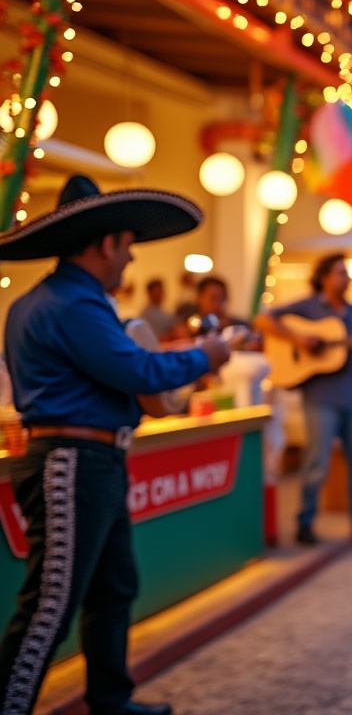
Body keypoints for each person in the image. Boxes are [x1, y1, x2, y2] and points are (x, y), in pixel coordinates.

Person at [0, 175, 232, 715]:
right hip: (72, 463)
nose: (130, 260)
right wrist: (207, 355)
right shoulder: (73, 306)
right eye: (128, 245)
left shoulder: (51, 301)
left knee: (113, 587)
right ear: (108, 243)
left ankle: (110, 699)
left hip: (88, 460)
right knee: (50, 607)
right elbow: (137, 369)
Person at [254, 253, 352, 545]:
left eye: (347, 273)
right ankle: (305, 522)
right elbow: (262, 320)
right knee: (316, 463)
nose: (346, 278)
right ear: (324, 277)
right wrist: (299, 340)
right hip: (320, 398)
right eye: (340, 272)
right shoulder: (307, 307)